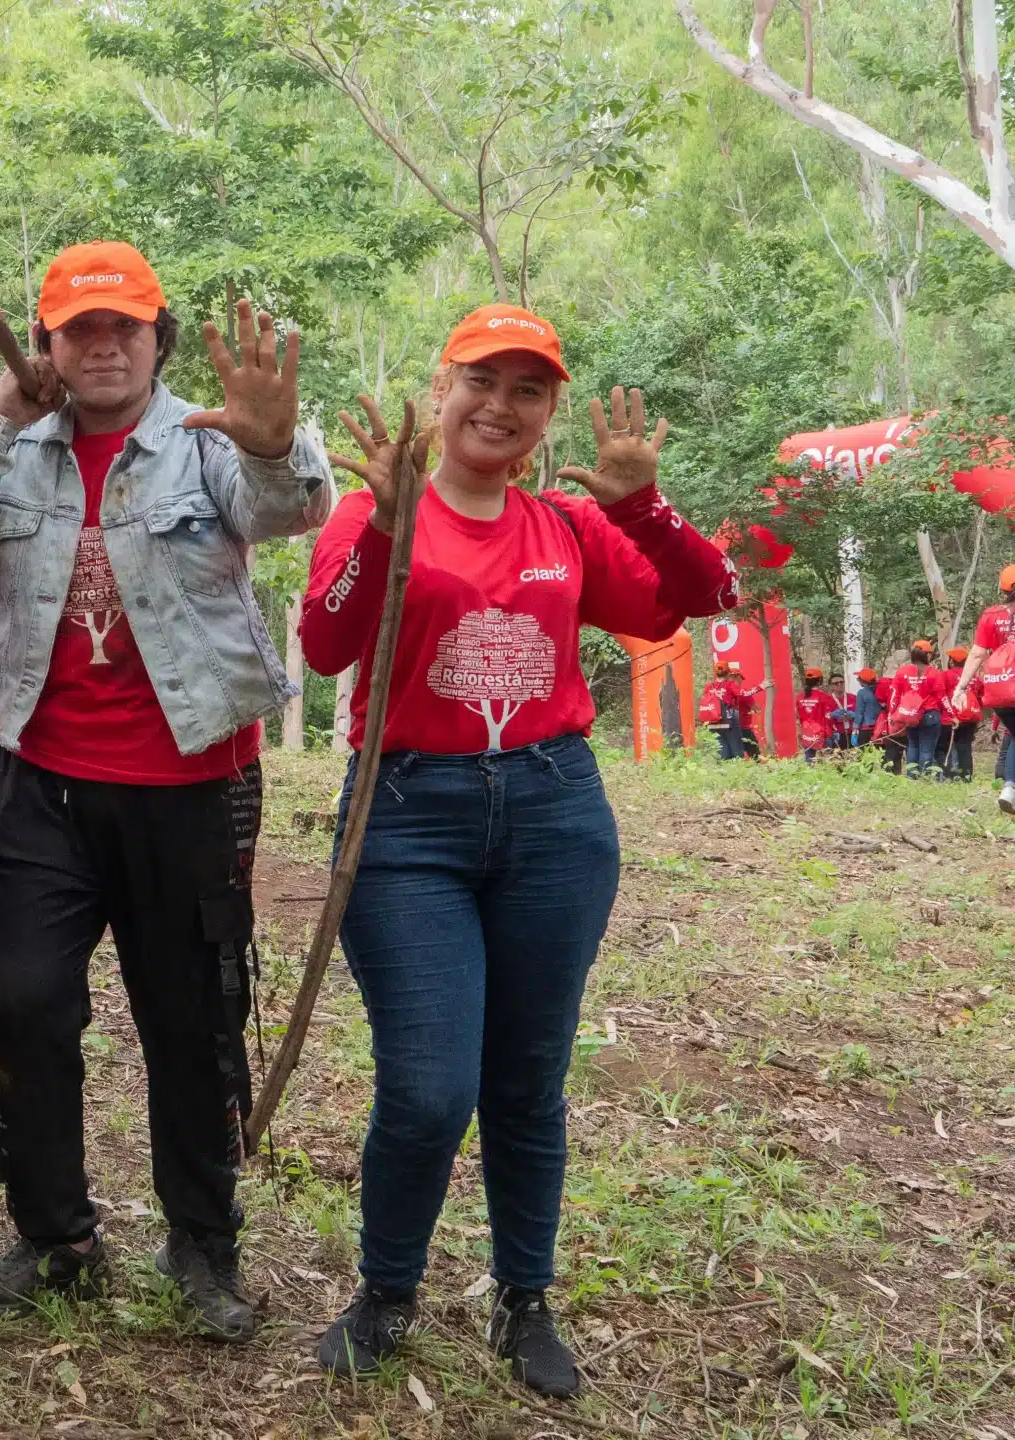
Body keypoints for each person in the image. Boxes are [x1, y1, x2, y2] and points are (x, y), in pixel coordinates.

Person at [298, 305, 738, 1397]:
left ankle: (522, 1298)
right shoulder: (375, 503)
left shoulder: (567, 528)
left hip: (553, 813)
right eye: (480, 381)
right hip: (402, 820)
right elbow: (322, 643)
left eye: (526, 389)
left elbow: (701, 599)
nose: (498, 405)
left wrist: (640, 505)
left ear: (547, 415)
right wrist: (385, 531)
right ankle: (387, 1289)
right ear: (441, 389)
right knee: (429, 1087)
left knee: (527, 1080)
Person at [0, 244, 329, 1336]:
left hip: (192, 786)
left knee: (192, 1024)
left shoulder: (206, 441)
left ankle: (200, 1244)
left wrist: (274, 438)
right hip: (36, 784)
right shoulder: (12, 451)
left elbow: (292, 504)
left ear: (156, 338)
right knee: (21, 1006)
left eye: (123, 328)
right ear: (46, 344)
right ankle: (55, 1236)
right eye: (77, 330)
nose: (101, 346)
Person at [948, 565, 1015, 813]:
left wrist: (960, 687)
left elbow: (976, 654)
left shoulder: (991, 614)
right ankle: (1010, 787)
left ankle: (1009, 787)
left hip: (1000, 690)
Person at [886, 641, 947, 776]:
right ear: (928, 655)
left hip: (910, 715)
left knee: (912, 746)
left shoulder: (902, 672)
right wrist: (951, 715)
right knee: (927, 749)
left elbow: (895, 696)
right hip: (930, 715)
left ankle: (912, 776)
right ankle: (925, 777)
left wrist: (891, 714)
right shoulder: (934, 673)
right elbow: (942, 698)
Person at [698, 660, 751, 762]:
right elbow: (743, 694)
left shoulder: (709, 686)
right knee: (736, 748)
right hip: (729, 719)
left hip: (713, 721)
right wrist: (760, 687)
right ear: (728, 673)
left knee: (721, 749)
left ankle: (724, 770)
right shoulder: (729, 684)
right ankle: (739, 770)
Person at [943, 649, 982, 781]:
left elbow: (940, 694)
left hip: (952, 717)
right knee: (965, 746)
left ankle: (949, 774)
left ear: (952, 661)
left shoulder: (946, 675)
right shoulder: (974, 678)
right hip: (970, 717)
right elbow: (980, 696)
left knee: (948, 746)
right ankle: (966, 775)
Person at [795, 667, 838, 761]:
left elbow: (798, 716)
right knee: (828, 761)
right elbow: (830, 715)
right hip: (823, 733)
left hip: (807, 733)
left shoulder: (799, 696)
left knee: (809, 760)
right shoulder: (824, 697)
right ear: (820, 681)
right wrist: (835, 730)